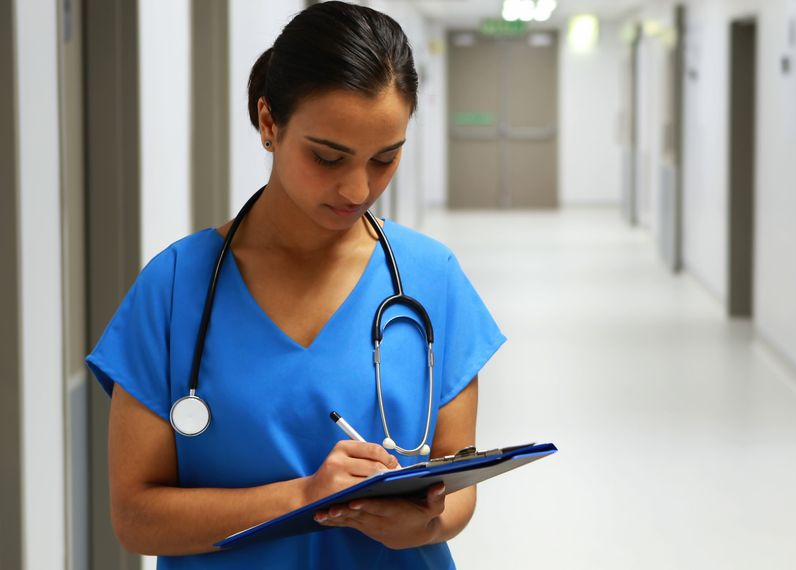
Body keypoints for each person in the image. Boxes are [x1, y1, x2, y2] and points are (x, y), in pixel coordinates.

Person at [85, 3, 505, 567]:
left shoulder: (432, 278)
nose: (357, 189)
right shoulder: (174, 288)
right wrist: (305, 498)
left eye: (385, 158)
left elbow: (459, 487)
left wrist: (424, 522)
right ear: (269, 122)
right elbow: (136, 519)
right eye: (327, 156)